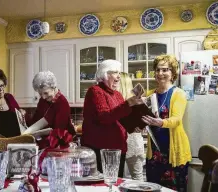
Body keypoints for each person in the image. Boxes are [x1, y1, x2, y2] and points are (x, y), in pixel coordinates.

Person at [81, 60, 143, 176]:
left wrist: (134, 126)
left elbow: (122, 118)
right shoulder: (95, 91)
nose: (119, 76)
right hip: (101, 150)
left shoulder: (117, 94)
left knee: (115, 184)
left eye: (119, 73)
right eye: (115, 72)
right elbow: (104, 117)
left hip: (118, 149)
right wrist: (128, 103)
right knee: (102, 186)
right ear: (104, 74)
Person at [142, 55, 191, 191]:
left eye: (165, 70)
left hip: (174, 153)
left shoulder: (178, 94)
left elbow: (176, 120)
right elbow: (144, 117)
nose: (160, 73)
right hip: (155, 154)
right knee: (153, 189)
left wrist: (161, 122)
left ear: (172, 73)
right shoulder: (150, 94)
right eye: (157, 70)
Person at [28, 71, 75, 136]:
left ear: (53, 87)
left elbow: (59, 132)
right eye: (40, 94)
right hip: (44, 140)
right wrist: (24, 116)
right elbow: (35, 121)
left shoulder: (62, 103)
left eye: (46, 93)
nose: (43, 97)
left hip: (61, 142)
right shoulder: (42, 101)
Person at [118, 72, 145, 181]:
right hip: (135, 143)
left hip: (120, 143)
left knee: (117, 178)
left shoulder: (116, 103)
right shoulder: (137, 102)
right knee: (137, 178)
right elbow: (142, 124)